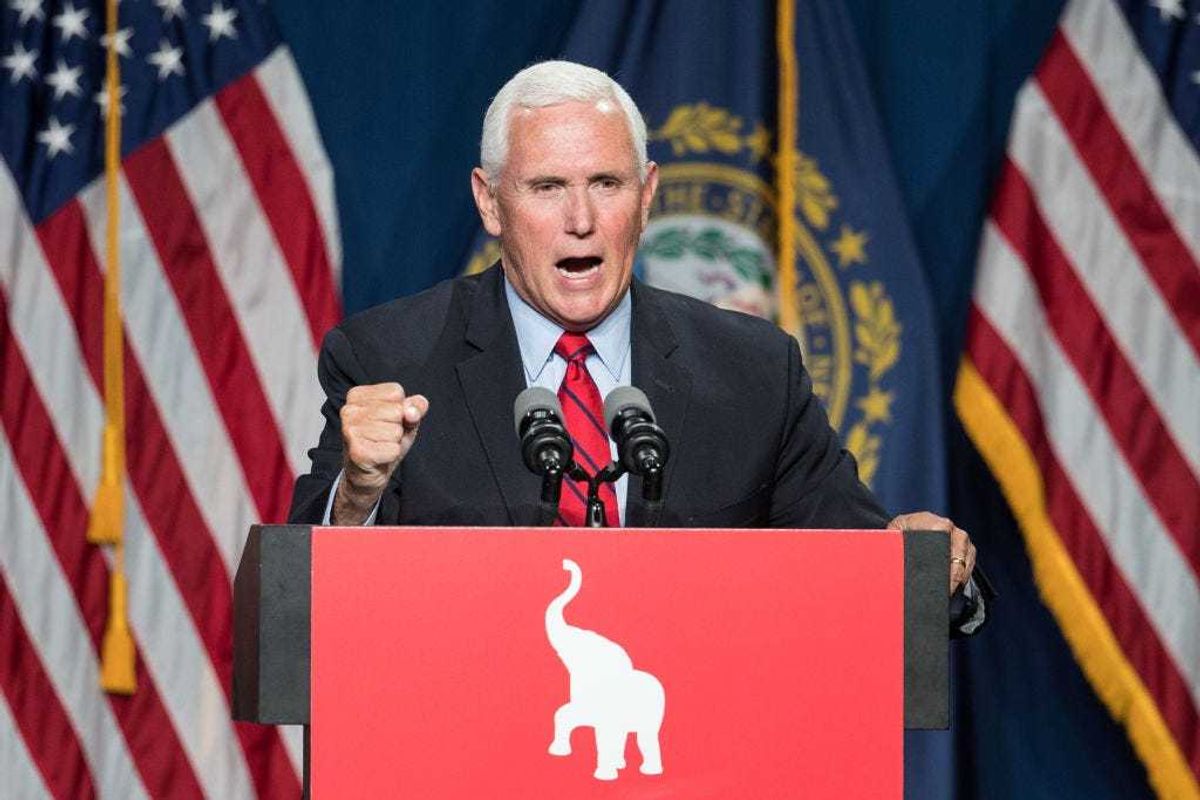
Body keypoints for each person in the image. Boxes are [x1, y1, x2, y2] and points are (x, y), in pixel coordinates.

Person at [288, 60, 982, 621]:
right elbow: (302, 596)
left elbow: (860, 567)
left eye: (606, 183)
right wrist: (359, 492)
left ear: (647, 196)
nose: (581, 219)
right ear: (490, 202)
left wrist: (923, 565)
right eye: (547, 187)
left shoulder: (755, 373)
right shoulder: (391, 359)